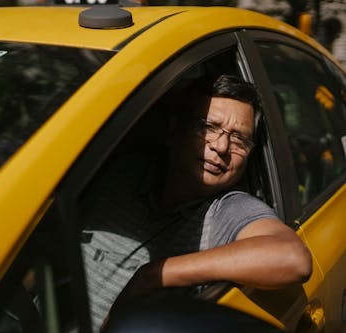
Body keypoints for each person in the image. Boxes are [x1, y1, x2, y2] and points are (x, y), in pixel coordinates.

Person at [79, 74, 312, 331]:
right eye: (208, 127)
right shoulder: (119, 173)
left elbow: (293, 258)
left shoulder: (226, 210)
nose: (221, 146)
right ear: (173, 130)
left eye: (239, 139)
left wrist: (156, 274)